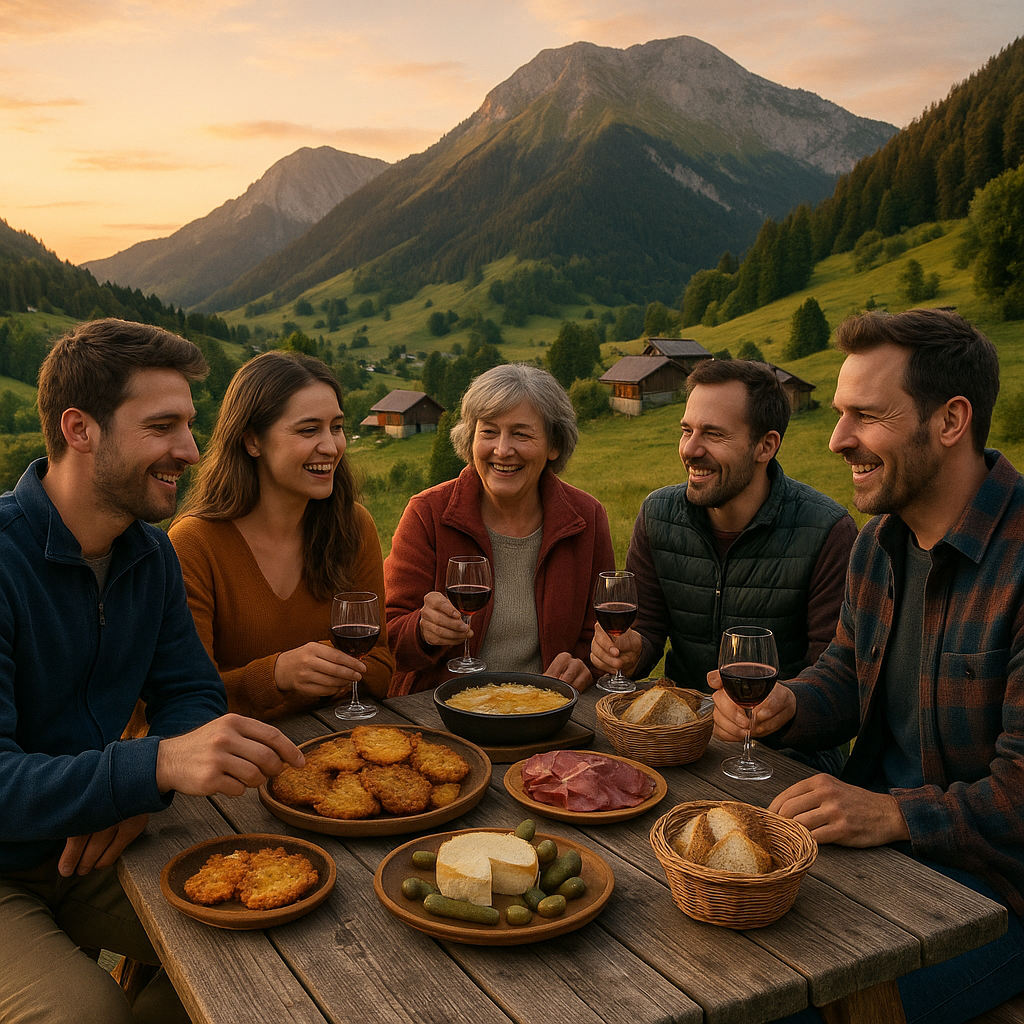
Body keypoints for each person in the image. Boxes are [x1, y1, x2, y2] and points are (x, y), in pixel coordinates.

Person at [711, 310, 1024, 1024]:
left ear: (951, 420)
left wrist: (889, 811)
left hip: (993, 897)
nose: (836, 438)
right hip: (875, 862)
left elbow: (1019, 795)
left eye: (865, 415)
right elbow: (849, 675)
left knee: (769, 1009)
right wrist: (787, 705)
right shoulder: (880, 541)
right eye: (840, 411)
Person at [0, 319, 304, 1024]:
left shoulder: (150, 555)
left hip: (94, 840)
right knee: (87, 1013)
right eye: (163, 427)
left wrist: (135, 795)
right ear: (80, 429)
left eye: (190, 426)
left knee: (267, 946)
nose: (191, 452)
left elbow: (191, 691)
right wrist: (150, 769)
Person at [591, 359, 856, 771]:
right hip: (680, 743)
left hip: (786, 759)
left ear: (766, 446)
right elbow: (647, 629)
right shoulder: (657, 514)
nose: (690, 449)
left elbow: (839, 681)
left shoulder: (826, 530)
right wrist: (627, 651)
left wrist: (778, 711)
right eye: (687, 430)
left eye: (713, 434)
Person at [169, 351, 393, 720]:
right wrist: (276, 676)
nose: (331, 446)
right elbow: (183, 700)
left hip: (335, 747)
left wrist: (333, 671)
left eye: (336, 427)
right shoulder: (195, 543)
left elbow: (382, 665)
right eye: (309, 430)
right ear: (252, 441)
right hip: (238, 762)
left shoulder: (353, 527)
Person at [385, 363, 615, 695]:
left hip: (544, 712)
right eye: (489, 431)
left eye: (521, 434)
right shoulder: (427, 513)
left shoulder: (586, 517)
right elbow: (386, 639)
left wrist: (585, 665)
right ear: (470, 438)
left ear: (554, 445)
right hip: (441, 714)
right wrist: (421, 629)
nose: (502, 449)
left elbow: (597, 635)